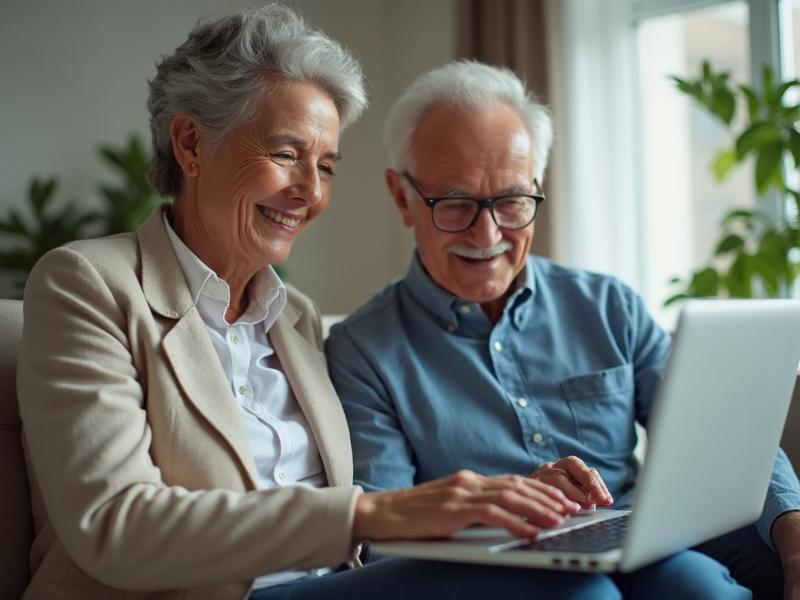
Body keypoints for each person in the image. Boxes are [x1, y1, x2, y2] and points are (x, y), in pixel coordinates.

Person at [15, 9, 631, 600]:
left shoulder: (295, 317)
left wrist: (493, 507)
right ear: (191, 144)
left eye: (326, 166)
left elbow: (367, 540)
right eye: (286, 155)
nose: (310, 192)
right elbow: (116, 524)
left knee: (602, 579)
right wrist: (368, 512)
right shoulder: (89, 284)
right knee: (578, 593)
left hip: (335, 587)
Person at [325, 60, 800, 599]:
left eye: (511, 202)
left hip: (636, 542)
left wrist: (793, 525)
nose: (488, 234)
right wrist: (499, 507)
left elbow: (724, 440)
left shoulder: (609, 306)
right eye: (455, 204)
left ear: (536, 187)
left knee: (704, 589)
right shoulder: (362, 350)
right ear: (401, 197)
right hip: (495, 571)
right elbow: (382, 540)